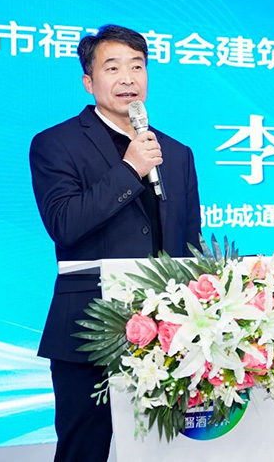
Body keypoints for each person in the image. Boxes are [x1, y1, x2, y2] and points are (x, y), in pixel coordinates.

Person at [29, 24, 201, 462]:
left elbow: (191, 244)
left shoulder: (176, 152)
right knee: (84, 451)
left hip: (168, 334)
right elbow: (65, 224)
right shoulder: (55, 143)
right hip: (89, 330)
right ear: (89, 81)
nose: (128, 78)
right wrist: (129, 170)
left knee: (164, 452)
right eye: (113, 68)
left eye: (137, 66)